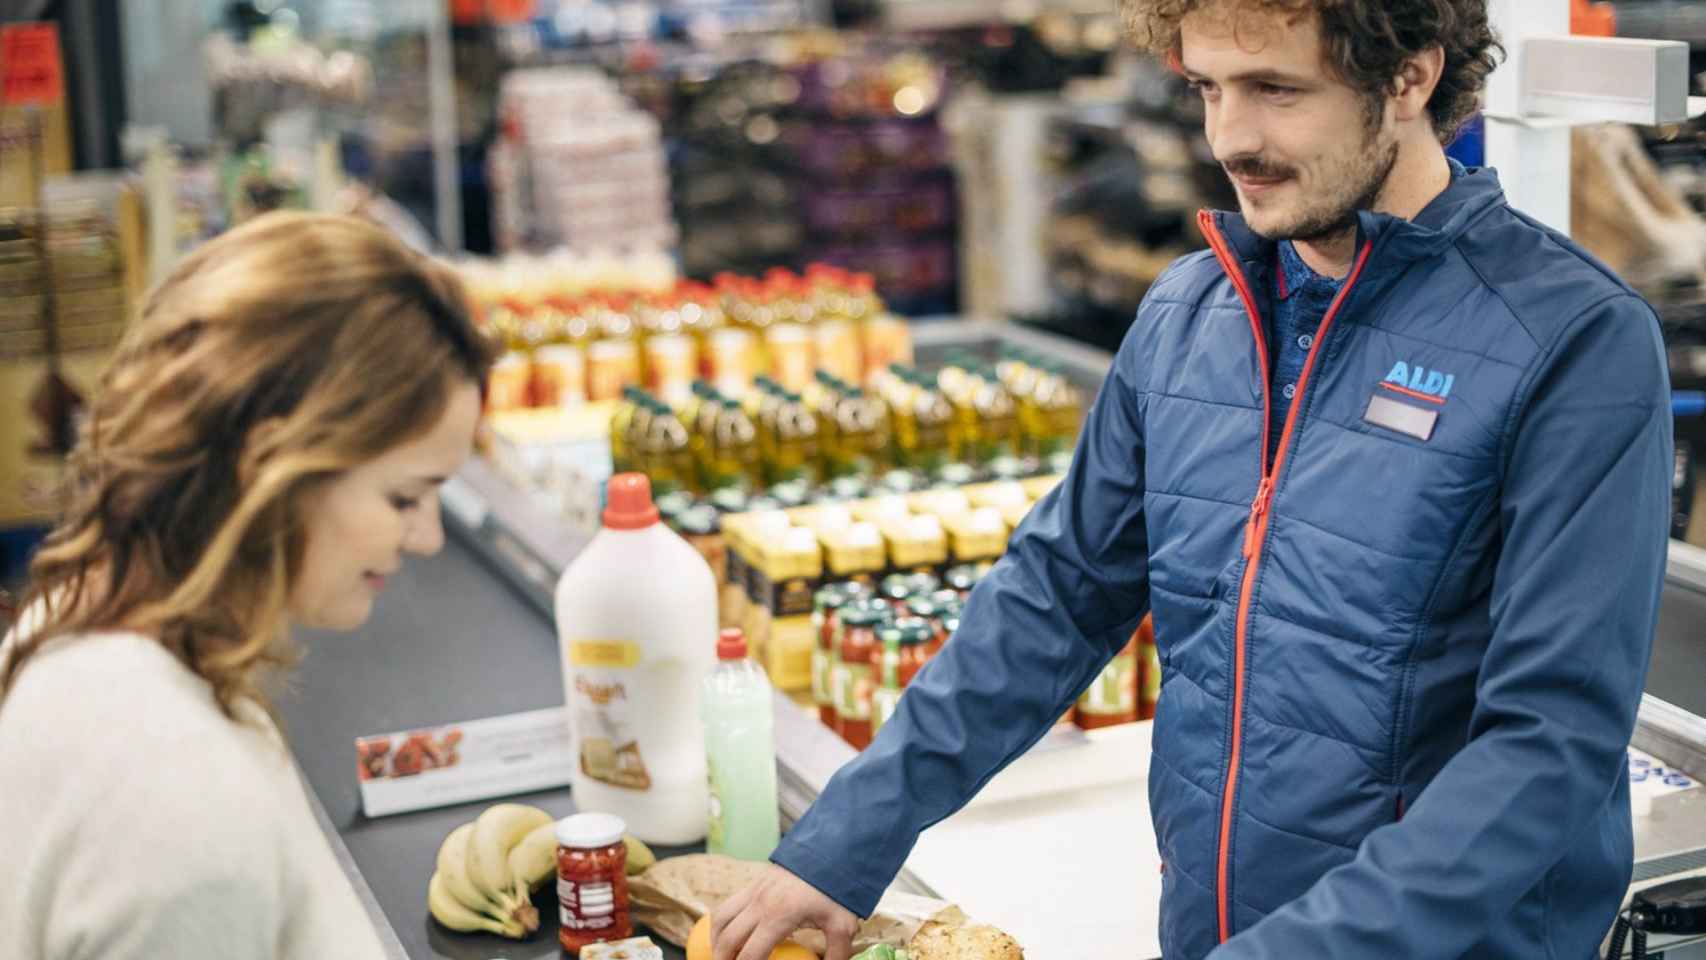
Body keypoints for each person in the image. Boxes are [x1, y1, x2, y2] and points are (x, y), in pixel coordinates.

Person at [713, 2, 1673, 958]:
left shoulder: (1570, 341)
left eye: (1277, 91)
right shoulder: (1189, 314)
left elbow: (1545, 749)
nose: (1231, 138)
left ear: (1410, 79)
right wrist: (841, 845)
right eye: (1209, 88)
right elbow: (1052, 600)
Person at [0, 212, 494, 959]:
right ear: (274, 466)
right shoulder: (180, 802)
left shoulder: (75, 619)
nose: (426, 538)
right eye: (404, 497)